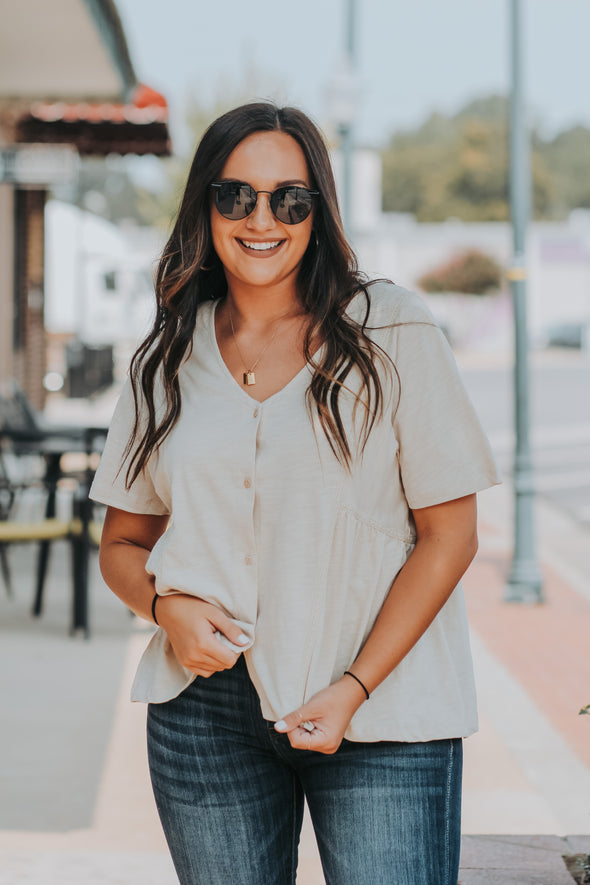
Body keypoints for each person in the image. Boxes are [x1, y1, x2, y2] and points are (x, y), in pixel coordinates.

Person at [90, 101, 500, 885]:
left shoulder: (393, 330)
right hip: (205, 713)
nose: (261, 219)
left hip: (382, 709)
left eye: (290, 198)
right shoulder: (168, 357)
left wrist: (353, 687)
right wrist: (165, 607)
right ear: (205, 206)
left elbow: (451, 536)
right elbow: (121, 544)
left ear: (318, 212)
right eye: (235, 195)